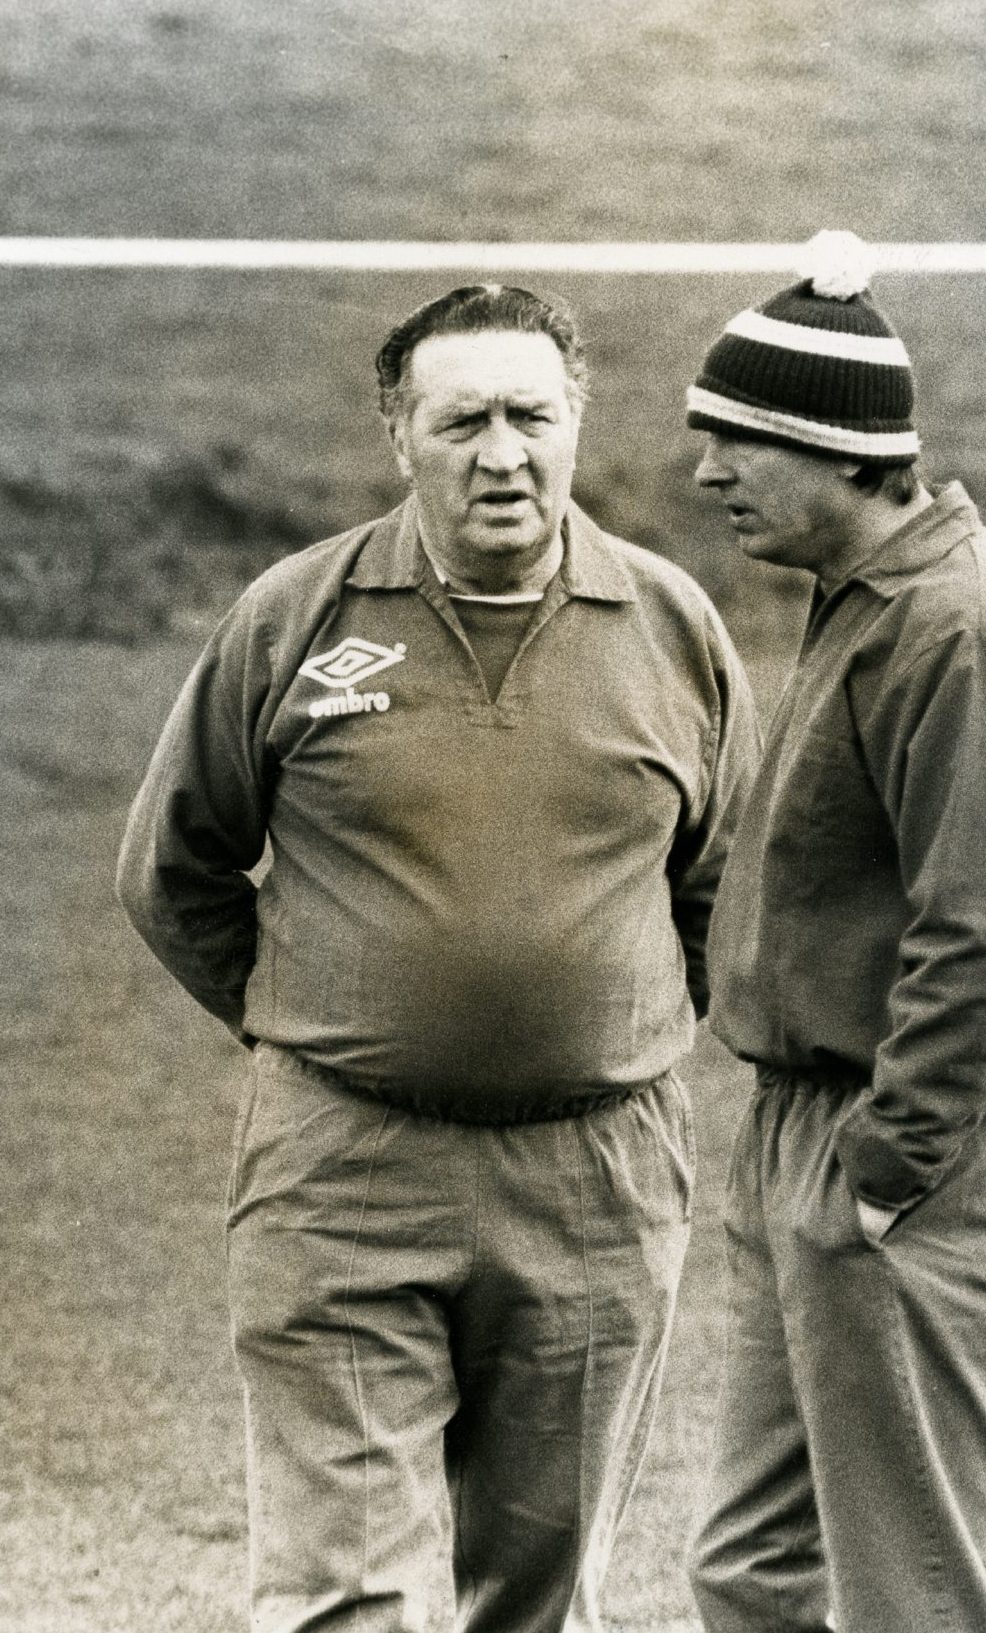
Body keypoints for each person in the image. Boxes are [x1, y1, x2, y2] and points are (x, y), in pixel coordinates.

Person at [117, 282, 760, 1633]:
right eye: (462, 419)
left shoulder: (676, 630)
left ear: (580, 420)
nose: (502, 454)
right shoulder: (297, 619)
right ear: (397, 430)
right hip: (341, 1175)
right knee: (348, 1593)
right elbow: (173, 868)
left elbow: (726, 891)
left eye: (532, 415)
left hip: (596, 1185)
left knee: (540, 1594)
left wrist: (605, 1026)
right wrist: (320, 1021)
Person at [682, 231, 986, 1633]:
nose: (707, 476)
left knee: (924, 1598)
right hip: (815, 1130)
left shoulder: (963, 631)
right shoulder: (872, 602)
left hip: (922, 1151)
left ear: (831, 449)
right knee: (755, 1574)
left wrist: (886, 1170)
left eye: (736, 441)